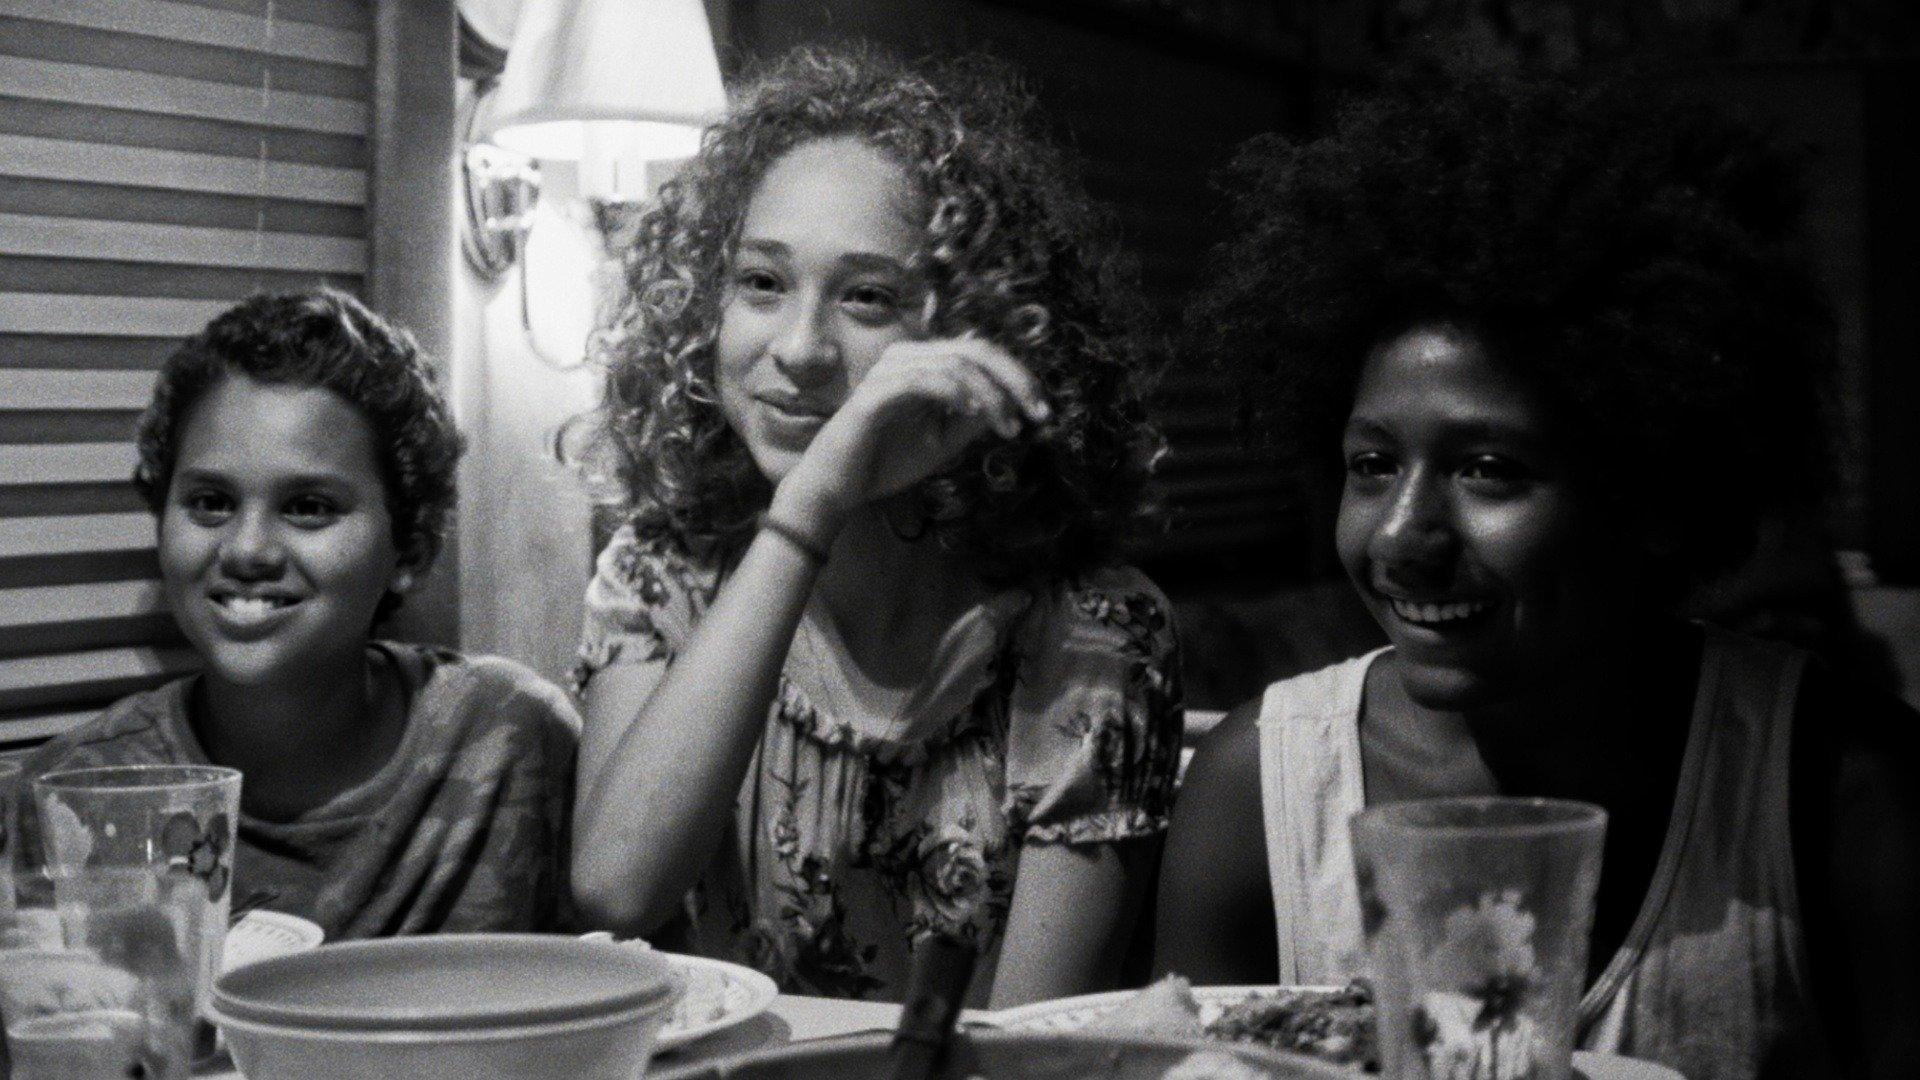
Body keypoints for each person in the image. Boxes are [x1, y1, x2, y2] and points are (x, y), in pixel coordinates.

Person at [1154, 71, 1918, 1080]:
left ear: (1656, 493)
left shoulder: (1837, 788)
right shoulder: (1262, 789)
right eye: (1372, 465)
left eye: (1488, 469)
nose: (1404, 536)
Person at [568, 46, 1181, 1006]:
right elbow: (618, 888)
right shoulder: (661, 575)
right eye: (762, 282)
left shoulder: (1091, 636)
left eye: (867, 298)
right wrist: (807, 509)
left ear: (973, 332)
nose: (801, 348)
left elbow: (1038, 1047)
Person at [18, 289, 579, 938]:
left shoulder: (509, 741)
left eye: (309, 507)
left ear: (411, 548)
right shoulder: (70, 797)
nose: (246, 549)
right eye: (210, 502)